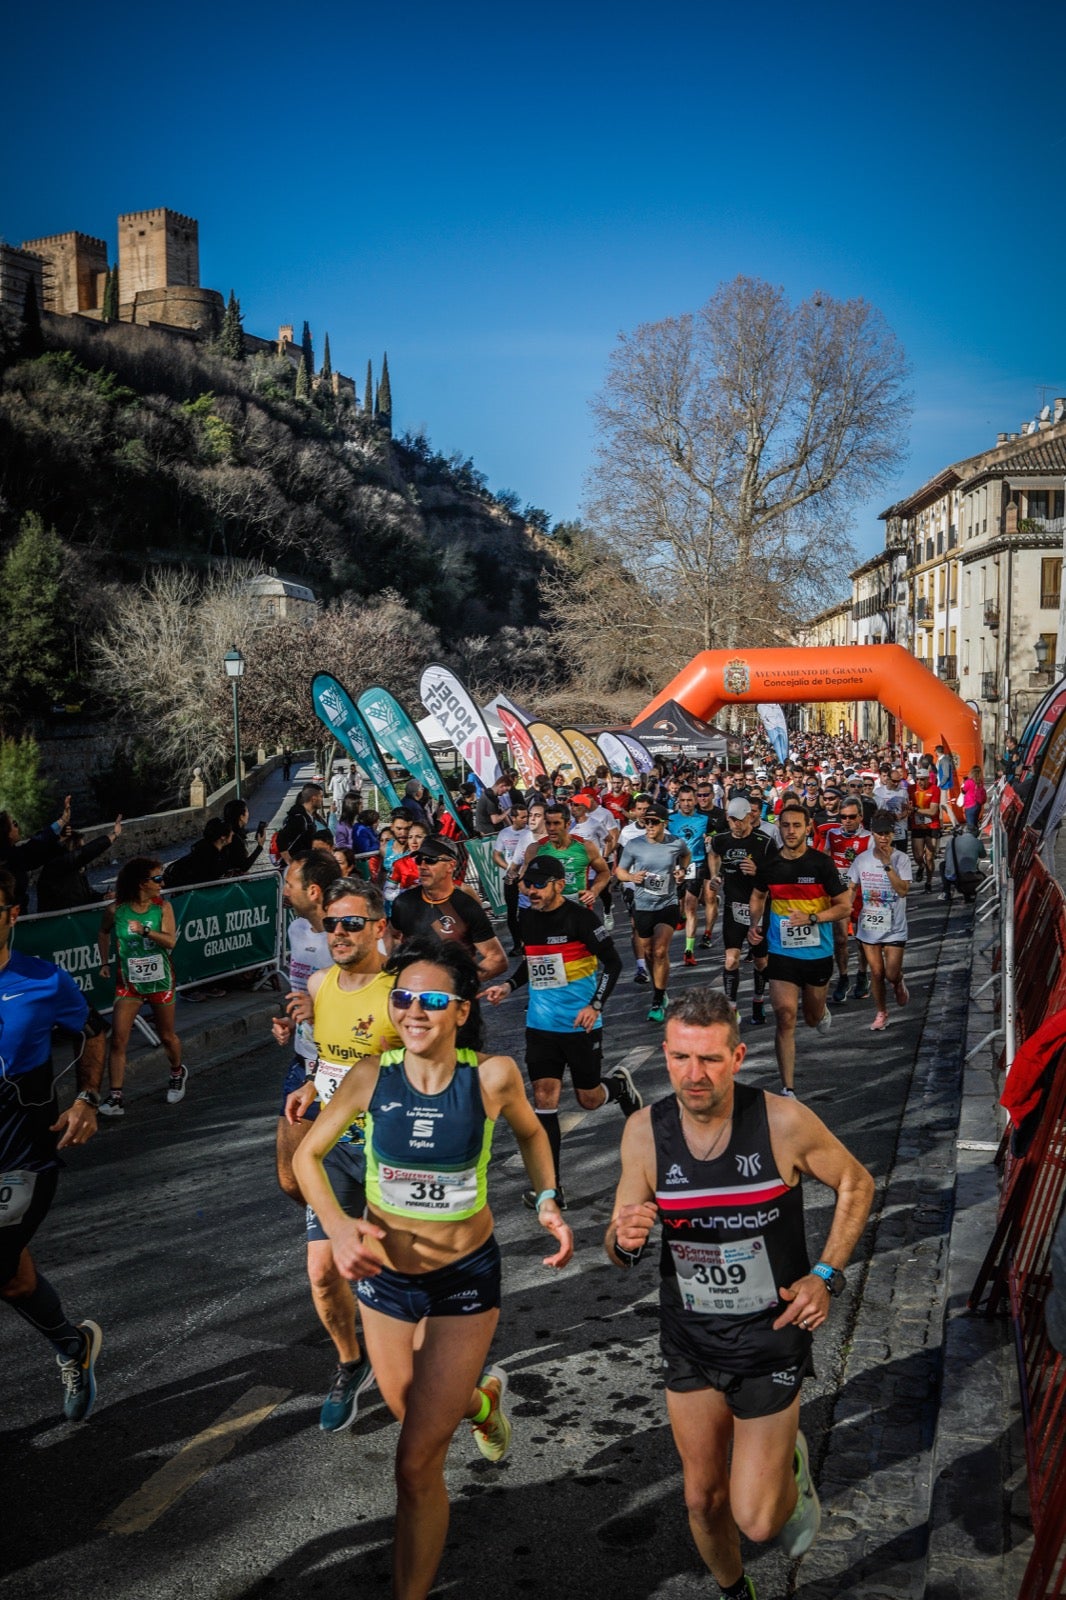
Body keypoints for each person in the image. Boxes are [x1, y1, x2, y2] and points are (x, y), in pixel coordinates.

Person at [293, 938, 574, 1600]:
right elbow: (308, 1157)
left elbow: (533, 1134)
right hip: (385, 1283)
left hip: (462, 1281)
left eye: (433, 1000)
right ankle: (483, 1403)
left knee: (416, 1461)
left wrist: (547, 1200)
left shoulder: (493, 1077)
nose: (415, 1010)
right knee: (415, 1410)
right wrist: (337, 1227)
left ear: (461, 1011)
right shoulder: (369, 1077)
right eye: (403, 998)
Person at [604, 989, 875, 1599]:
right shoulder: (644, 1133)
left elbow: (857, 1182)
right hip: (690, 1338)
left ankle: (791, 1467)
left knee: (758, 1520)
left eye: (709, 1060)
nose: (693, 1075)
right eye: (679, 1058)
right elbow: (620, 1246)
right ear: (664, 1055)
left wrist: (825, 1275)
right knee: (701, 1498)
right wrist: (624, 1237)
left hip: (768, 1342)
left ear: (737, 1056)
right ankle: (735, 1592)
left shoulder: (781, 1121)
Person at [281, 879, 403, 1429]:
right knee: (323, 1271)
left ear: (380, 927)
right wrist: (310, 1083)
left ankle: (432, 1360)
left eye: (352, 923)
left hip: (390, 1155)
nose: (340, 933)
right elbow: (331, 1056)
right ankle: (352, 1364)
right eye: (332, 923)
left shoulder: (402, 991)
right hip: (334, 1150)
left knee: (396, 1274)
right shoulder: (321, 983)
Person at [0, 866, 110, 1422]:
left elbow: (92, 1030)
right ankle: (72, 1345)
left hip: (22, 1156)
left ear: (12, 915)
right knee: (15, 1280)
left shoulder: (43, 980)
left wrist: (88, 1098)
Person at [484, 854, 638, 1207]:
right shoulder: (526, 918)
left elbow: (613, 963)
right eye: (527, 884)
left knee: (589, 1099)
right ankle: (551, 1189)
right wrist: (508, 986)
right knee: (544, 1102)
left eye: (539, 884)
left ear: (558, 883)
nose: (531, 891)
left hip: (579, 1024)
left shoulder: (581, 918)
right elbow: (531, 964)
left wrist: (595, 1005)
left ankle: (618, 1087)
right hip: (540, 1026)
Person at [747, 802, 853, 1098]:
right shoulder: (769, 865)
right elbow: (757, 895)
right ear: (778, 827)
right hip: (782, 951)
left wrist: (813, 918)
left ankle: (820, 1010)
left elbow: (844, 906)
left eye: (796, 825)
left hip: (818, 952)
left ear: (808, 828)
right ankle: (788, 1089)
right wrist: (753, 924)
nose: (790, 831)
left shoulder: (821, 864)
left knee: (811, 1017)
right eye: (785, 825)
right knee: (784, 1015)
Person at [271, 851, 343, 1204]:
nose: (283, 891)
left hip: (349, 1068)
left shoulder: (349, 937)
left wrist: (321, 1010)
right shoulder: (296, 929)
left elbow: (374, 1003)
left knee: (358, 1175)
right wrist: (291, 1020)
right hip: (305, 1062)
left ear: (313, 891)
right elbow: (301, 994)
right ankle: (339, 1226)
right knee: (291, 1178)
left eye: (289, 884)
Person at [96, 856, 185, 1115]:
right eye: (157, 878)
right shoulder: (116, 910)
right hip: (129, 983)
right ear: (140, 883)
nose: (162, 882)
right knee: (118, 1039)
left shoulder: (162, 908)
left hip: (160, 980)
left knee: (167, 1036)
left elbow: (170, 942)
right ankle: (115, 1097)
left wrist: (146, 932)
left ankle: (177, 1073)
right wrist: (104, 962)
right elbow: (103, 932)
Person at [391, 835, 508, 981]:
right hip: (416, 997)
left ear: (451, 865)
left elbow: (497, 959)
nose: (422, 866)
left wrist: (460, 984)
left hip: (455, 1000)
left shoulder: (466, 906)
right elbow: (389, 937)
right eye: (419, 860)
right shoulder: (404, 902)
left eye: (430, 860)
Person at [616, 803, 690, 1024]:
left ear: (663, 824)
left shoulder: (675, 843)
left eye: (654, 822)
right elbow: (619, 871)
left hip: (667, 904)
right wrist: (631, 878)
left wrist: (681, 871)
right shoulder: (634, 845)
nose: (649, 826)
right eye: (646, 822)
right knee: (648, 952)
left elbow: (686, 855)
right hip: (643, 905)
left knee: (659, 951)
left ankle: (657, 999)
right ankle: (660, 989)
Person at [708, 798, 774, 1027]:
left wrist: (758, 871)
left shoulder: (764, 842)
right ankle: (732, 1008)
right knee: (731, 959)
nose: (736, 824)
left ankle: (758, 1000)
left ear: (750, 816)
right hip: (733, 908)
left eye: (740, 819)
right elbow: (713, 853)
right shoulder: (721, 840)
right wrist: (716, 876)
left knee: (761, 961)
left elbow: (776, 876)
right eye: (731, 820)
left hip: (760, 909)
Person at [847, 811, 913, 1032]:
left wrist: (887, 865)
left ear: (894, 834)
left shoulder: (901, 859)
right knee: (876, 972)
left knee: (891, 973)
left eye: (888, 833)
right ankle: (881, 1012)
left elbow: (903, 891)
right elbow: (851, 887)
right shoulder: (862, 859)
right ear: (872, 833)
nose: (884, 838)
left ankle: (898, 980)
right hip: (869, 925)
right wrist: (845, 910)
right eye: (879, 833)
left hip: (894, 926)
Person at [814, 801, 872, 1006]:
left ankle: (863, 974)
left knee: (862, 938)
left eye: (852, 817)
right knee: (840, 939)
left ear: (860, 817)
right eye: (843, 817)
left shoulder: (869, 838)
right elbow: (827, 857)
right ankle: (844, 977)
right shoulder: (833, 834)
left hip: (861, 893)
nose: (847, 821)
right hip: (839, 893)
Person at [520, 803, 611, 916]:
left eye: (556, 823)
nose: (551, 828)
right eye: (548, 823)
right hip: (546, 912)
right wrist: (534, 893)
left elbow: (604, 872)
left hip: (577, 909)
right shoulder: (535, 849)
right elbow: (522, 880)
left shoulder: (586, 846)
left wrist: (593, 891)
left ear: (568, 824)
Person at [35, 814, 122, 913]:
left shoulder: (74, 871)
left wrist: (103, 896)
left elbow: (85, 896)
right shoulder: (58, 865)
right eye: (79, 847)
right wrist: (113, 835)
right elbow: (85, 853)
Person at [0, 794, 71, 910]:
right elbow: (34, 846)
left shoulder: (12, 854)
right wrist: (62, 821)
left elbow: (35, 855)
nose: (18, 827)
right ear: (6, 832)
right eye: (14, 824)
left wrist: (59, 838)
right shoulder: (9, 857)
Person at [669, 785, 712, 967]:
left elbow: (717, 834)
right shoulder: (670, 820)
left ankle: (689, 951)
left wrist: (711, 838)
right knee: (678, 906)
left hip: (697, 864)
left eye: (689, 800)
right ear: (678, 800)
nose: (686, 804)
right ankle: (681, 917)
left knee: (690, 906)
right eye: (683, 800)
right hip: (675, 865)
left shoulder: (704, 819)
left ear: (695, 800)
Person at [492, 798, 529, 954]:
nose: (526, 820)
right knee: (512, 912)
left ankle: (530, 942)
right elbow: (496, 855)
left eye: (527, 816)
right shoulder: (504, 833)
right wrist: (509, 868)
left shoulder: (530, 833)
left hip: (527, 878)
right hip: (510, 877)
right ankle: (517, 944)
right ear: (513, 818)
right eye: (522, 817)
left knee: (528, 912)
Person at [162, 816, 233, 889]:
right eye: (231, 831)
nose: (232, 833)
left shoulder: (206, 849)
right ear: (223, 837)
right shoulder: (207, 856)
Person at [908, 768, 941, 893]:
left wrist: (915, 810)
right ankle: (921, 867)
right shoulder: (911, 789)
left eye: (922, 779)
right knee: (917, 856)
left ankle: (929, 882)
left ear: (928, 779)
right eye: (918, 779)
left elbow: (933, 811)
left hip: (932, 825)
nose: (920, 782)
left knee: (929, 857)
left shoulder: (934, 789)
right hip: (917, 826)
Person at [276, 784, 325, 865]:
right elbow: (281, 839)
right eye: (321, 796)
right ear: (313, 798)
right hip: (296, 869)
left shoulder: (308, 816)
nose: (322, 800)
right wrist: (291, 863)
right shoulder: (299, 819)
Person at [219, 799, 267, 876]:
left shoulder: (228, 833)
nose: (248, 814)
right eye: (247, 811)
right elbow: (243, 866)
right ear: (241, 816)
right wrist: (260, 846)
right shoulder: (233, 838)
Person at [961, 766, 987, 834]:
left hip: (970, 805)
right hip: (978, 804)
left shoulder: (969, 782)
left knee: (970, 825)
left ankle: (972, 840)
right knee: (975, 823)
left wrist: (963, 783)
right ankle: (977, 837)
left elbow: (963, 791)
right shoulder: (980, 782)